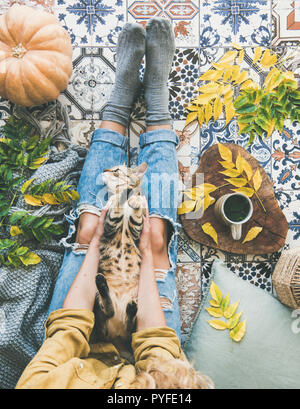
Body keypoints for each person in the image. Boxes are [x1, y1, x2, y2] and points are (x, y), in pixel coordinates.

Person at [16, 19, 211, 389]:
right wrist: (148, 258)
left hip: (80, 343)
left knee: (90, 227)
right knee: (154, 234)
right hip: (150, 367)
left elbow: (68, 330)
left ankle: (119, 104)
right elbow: (159, 348)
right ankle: (157, 101)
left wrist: (94, 246)